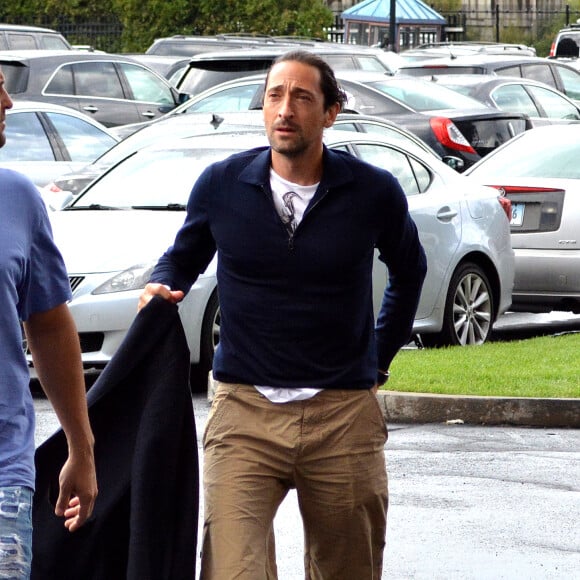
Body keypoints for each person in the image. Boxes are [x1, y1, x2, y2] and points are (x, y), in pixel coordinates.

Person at [139, 50, 427, 579]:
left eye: (302, 97)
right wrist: (163, 284)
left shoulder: (372, 192)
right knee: (231, 568)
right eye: (275, 96)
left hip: (342, 415)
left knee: (349, 570)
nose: (285, 110)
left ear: (331, 112)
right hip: (244, 411)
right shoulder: (222, 185)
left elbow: (410, 270)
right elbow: (183, 257)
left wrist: (377, 360)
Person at [0, 68, 97, 577]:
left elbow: (51, 327)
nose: (9, 103)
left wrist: (81, 448)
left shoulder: (19, 199)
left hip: (4, 478)